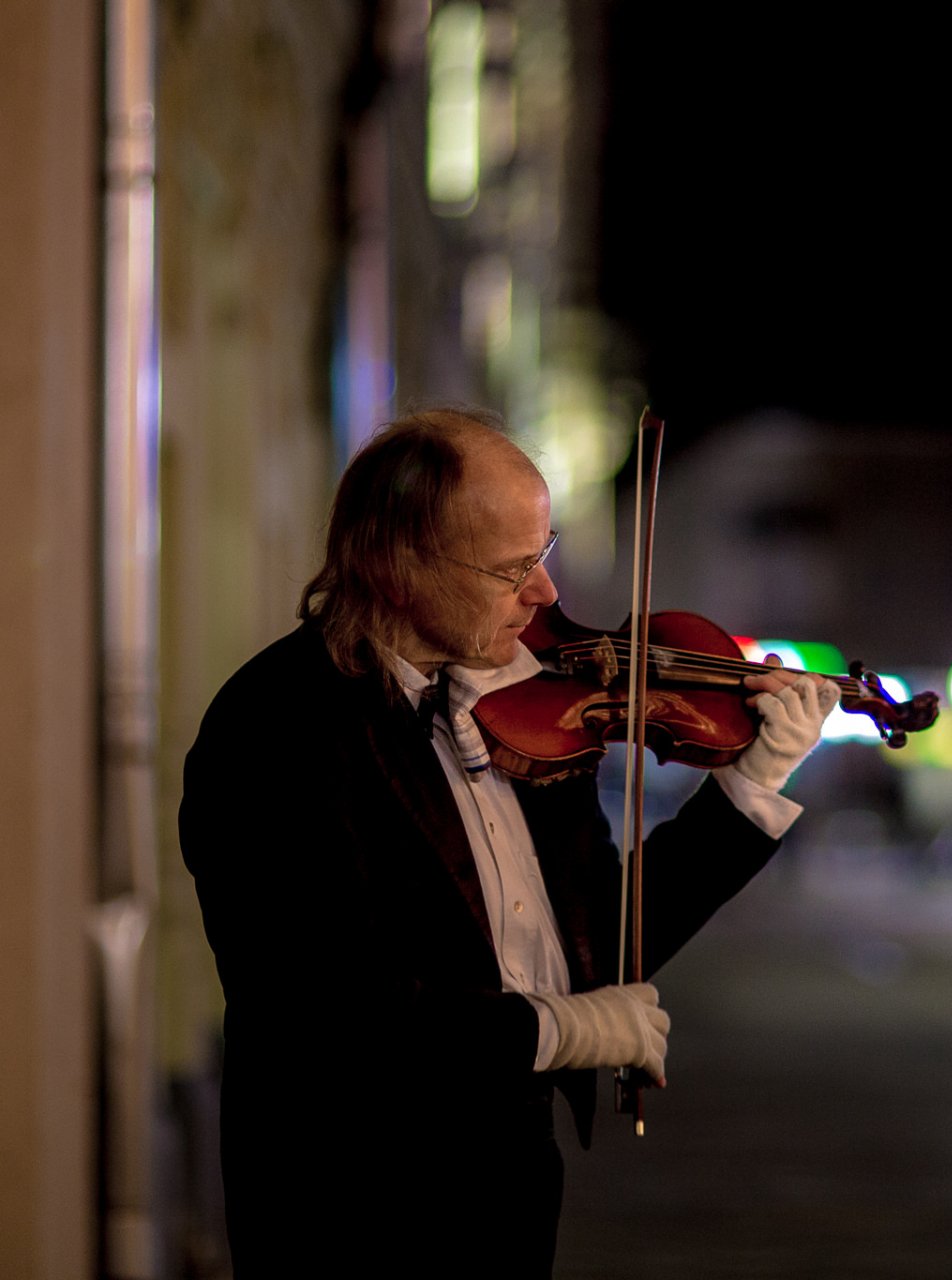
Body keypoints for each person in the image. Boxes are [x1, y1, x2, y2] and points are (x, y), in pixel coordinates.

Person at [179, 409, 840, 1277]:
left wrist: (747, 789)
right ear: (399, 569)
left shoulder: (524, 710)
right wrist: (557, 1033)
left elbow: (599, 936)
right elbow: (330, 1014)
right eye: (512, 569)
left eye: (545, 553)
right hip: (355, 1208)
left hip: (510, 1190)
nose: (546, 597)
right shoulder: (279, 727)